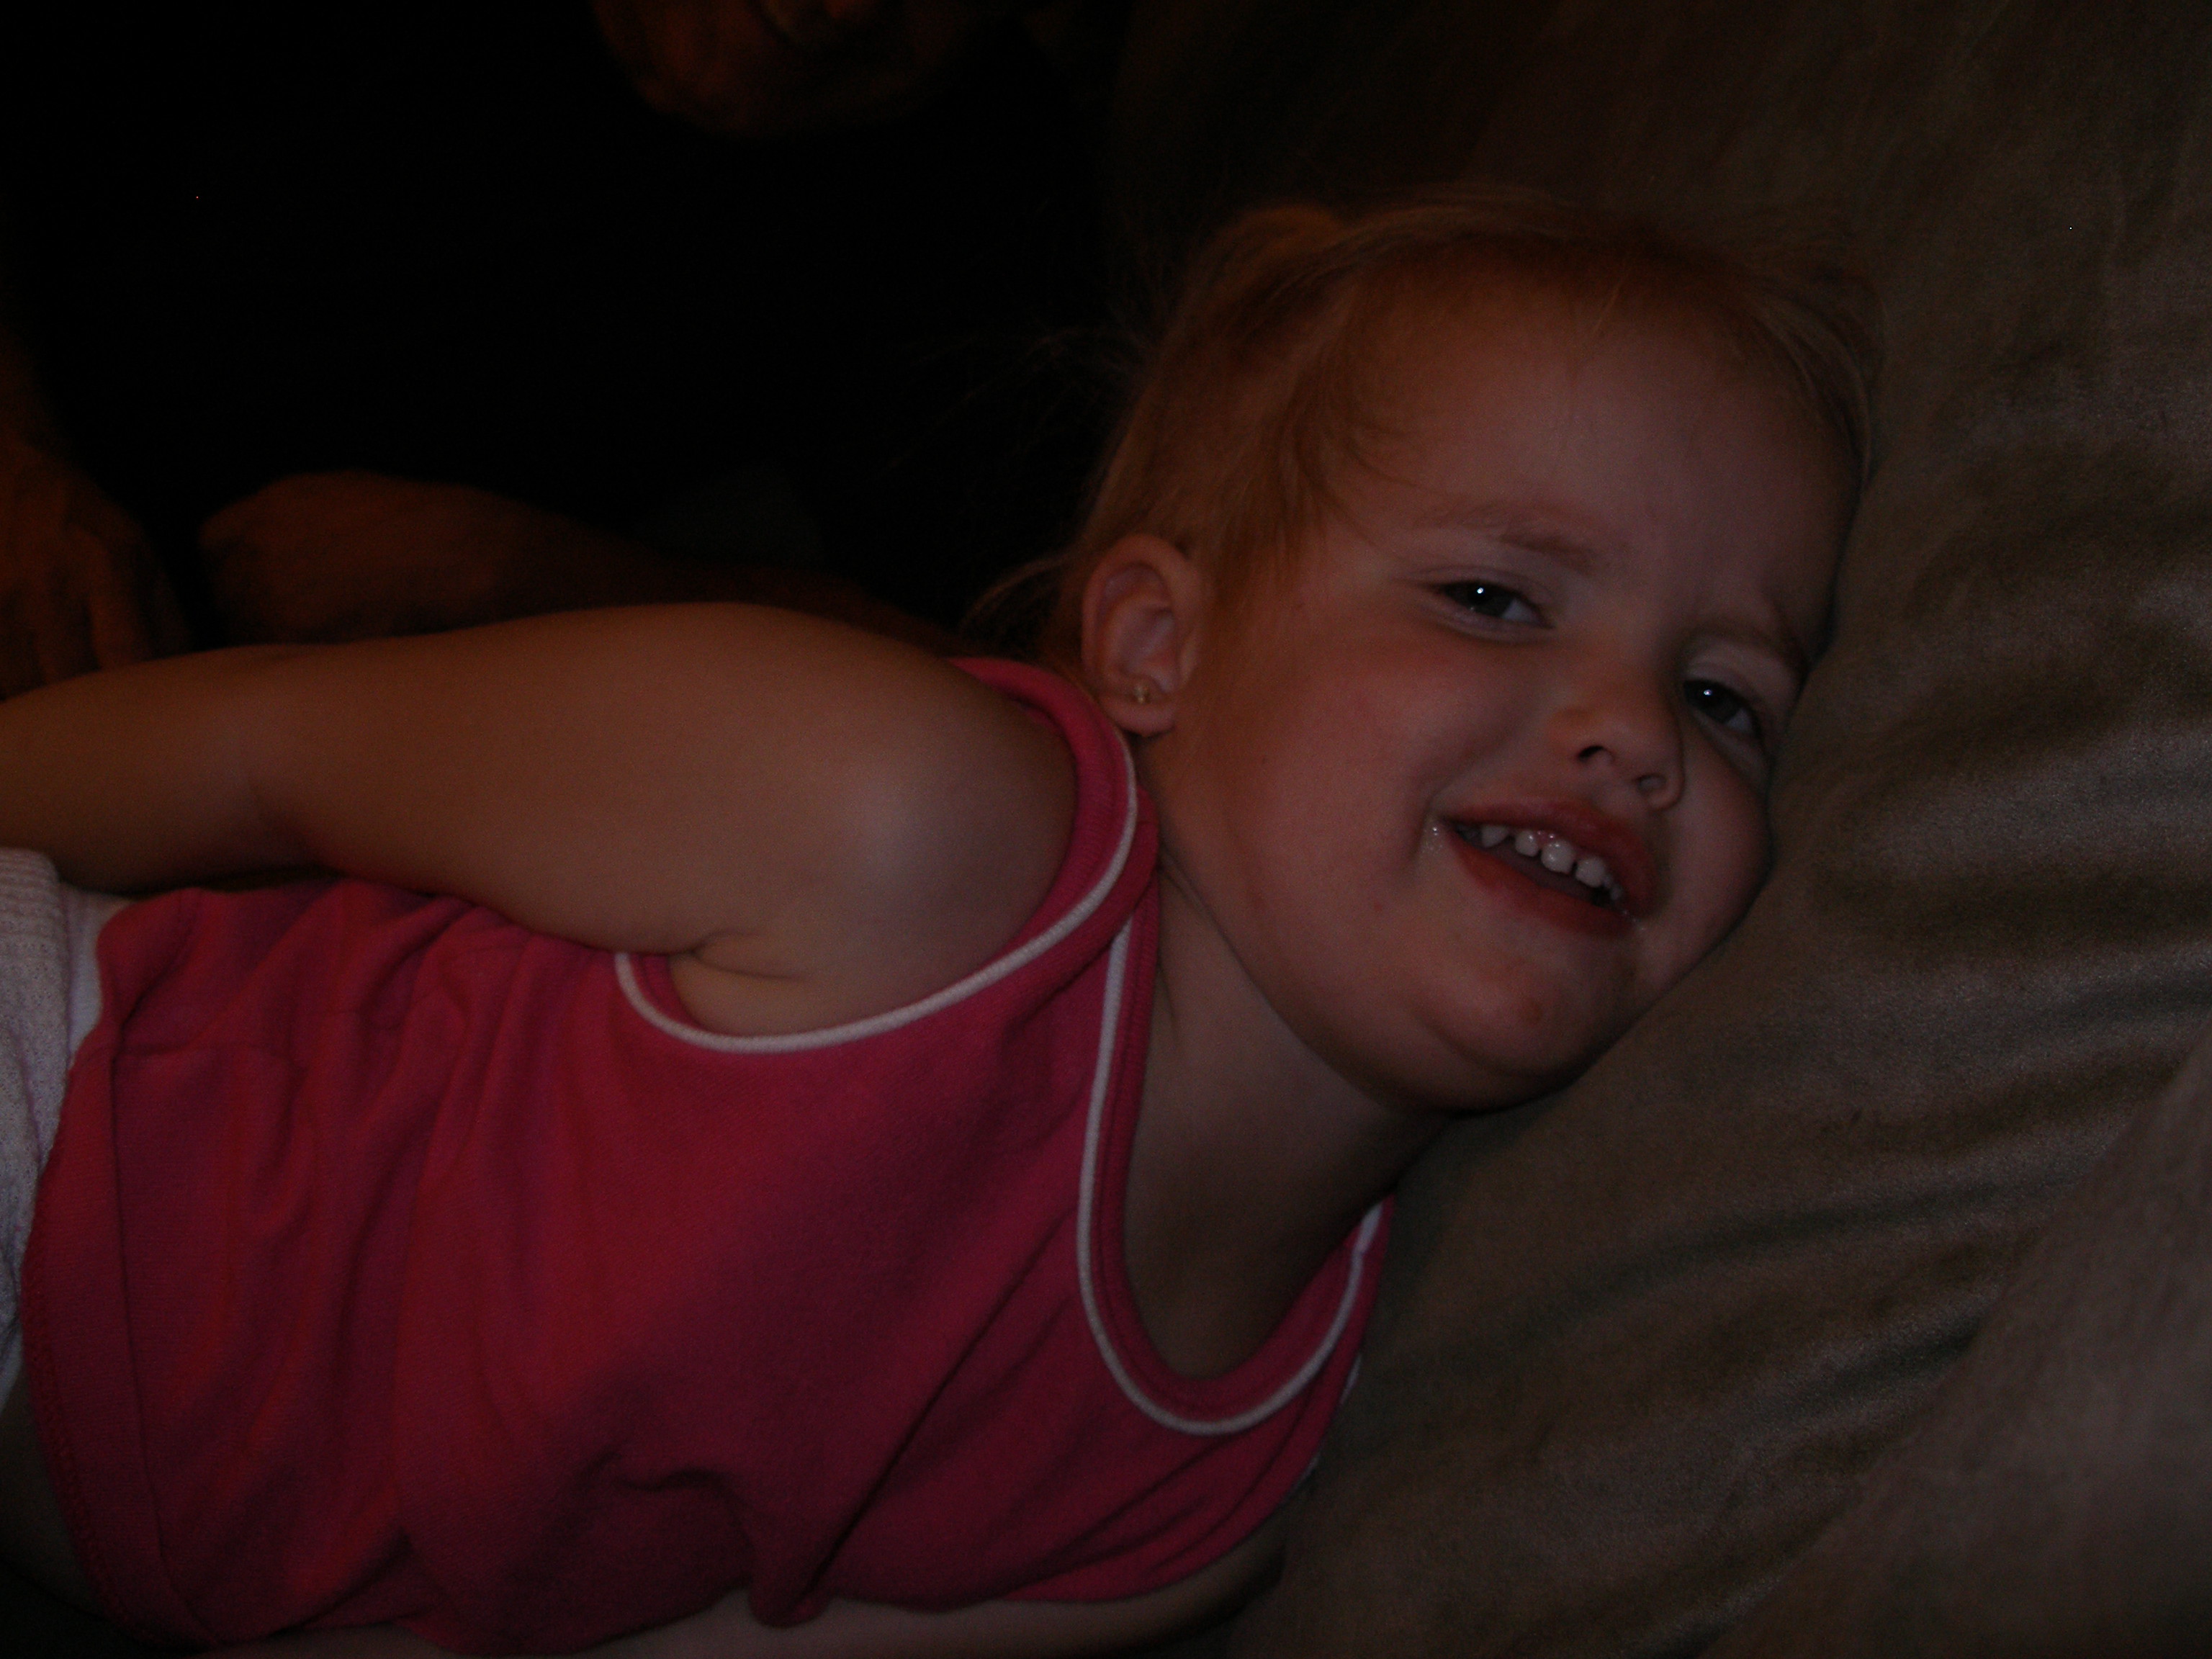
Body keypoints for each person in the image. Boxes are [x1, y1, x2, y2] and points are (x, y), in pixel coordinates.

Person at [0, 189, 1872, 1656]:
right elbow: (262, 753)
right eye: (1493, 597)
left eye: (1726, 698)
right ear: (1159, 643)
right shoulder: (907, 817)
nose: (1634, 731)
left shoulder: (1222, 1496)